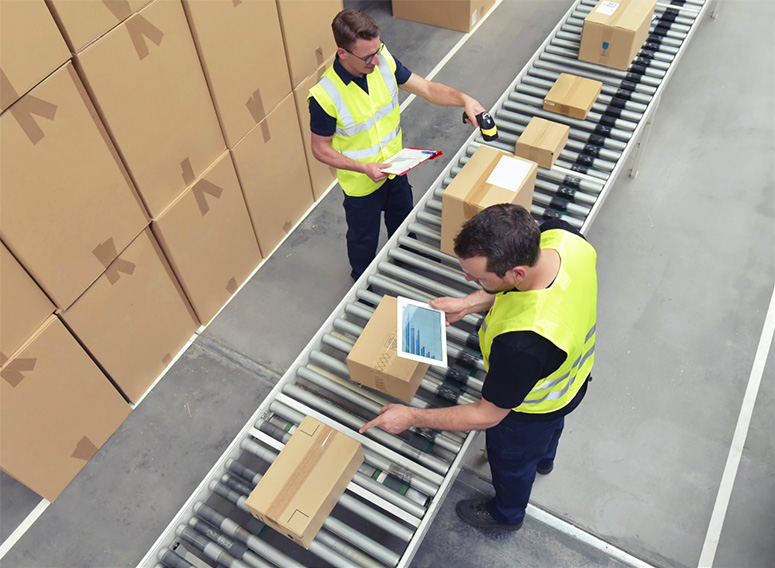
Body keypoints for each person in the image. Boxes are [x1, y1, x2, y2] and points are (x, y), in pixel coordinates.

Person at [360, 204, 598, 531]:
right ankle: (545, 460)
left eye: (479, 278)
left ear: (515, 273)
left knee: (512, 462)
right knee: (550, 432)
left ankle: (506, 514)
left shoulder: (523, 343)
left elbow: (487, 415)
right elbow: (522, 286)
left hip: (532, 408)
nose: (469, 280)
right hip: (571, 381)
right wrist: (468, 303)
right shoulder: (563, 238)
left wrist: (411, 416)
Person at [308, 8, 487, 281]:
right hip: (361, 184)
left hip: (396, 168)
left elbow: (426, 88)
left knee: (403, 221)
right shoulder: (325, 95)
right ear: (343, 53)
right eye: (368, 56)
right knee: (362, 240)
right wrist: (363, 167)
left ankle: (406, 259)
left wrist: (464, 99)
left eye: (378, 49)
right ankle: (363, 283)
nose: (376, 60)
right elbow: (320, 149)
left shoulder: (383, 60)